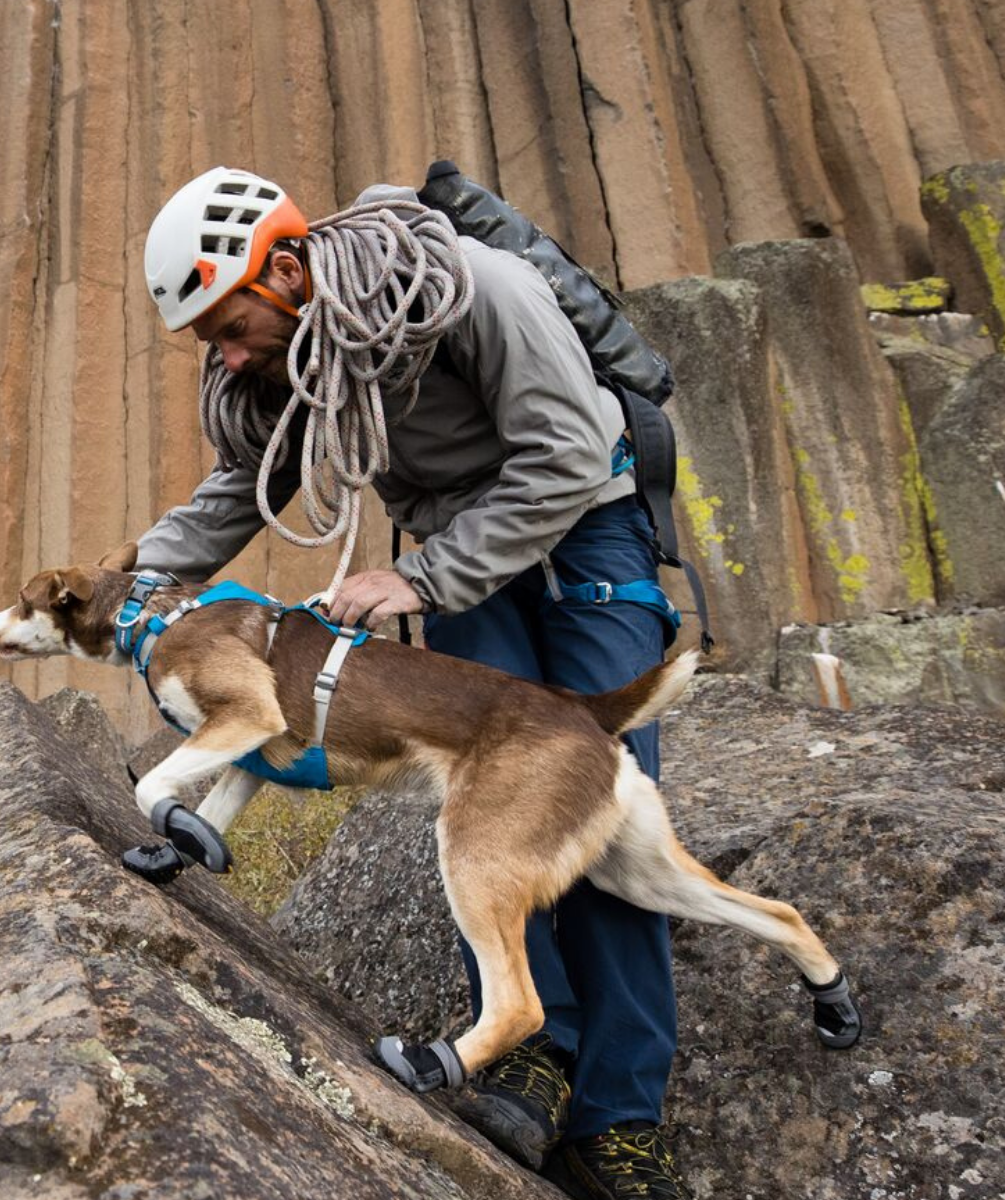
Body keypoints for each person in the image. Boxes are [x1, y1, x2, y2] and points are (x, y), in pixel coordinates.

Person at [132, 166, 692, 1200]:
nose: (224, 353)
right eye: (207, 341)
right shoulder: (299, 356)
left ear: (287, 266)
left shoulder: (472, 286)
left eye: (228, 323)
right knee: (489, 813)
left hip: (585, 532)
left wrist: (418, 579)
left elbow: (568, 455)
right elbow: (240, 486)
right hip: (457, 555)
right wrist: (138, 577)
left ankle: (622, 1121)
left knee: (594, 808)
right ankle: (531, 1047)